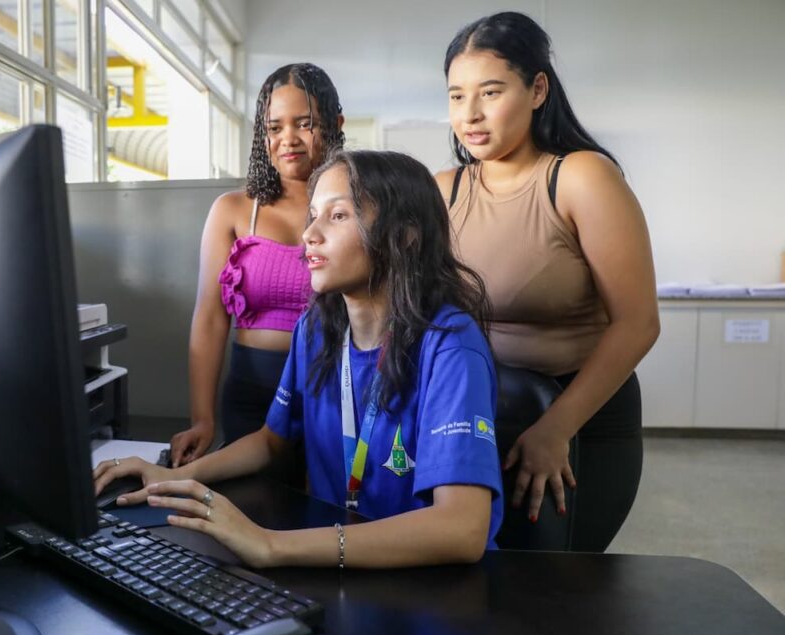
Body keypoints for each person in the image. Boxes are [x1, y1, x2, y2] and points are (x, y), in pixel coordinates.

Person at [94, 150, 503, 568]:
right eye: (313, 215)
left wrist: (271, 545)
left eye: (338, 216)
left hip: (430, 581)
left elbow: (462, 528)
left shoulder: (450, 347)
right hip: (339, 562)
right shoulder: (316, 329)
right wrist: (173, 476)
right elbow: (272, 441)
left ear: (404, 236)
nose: (309, 233)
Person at [435, 11, 660, 551]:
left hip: (578, 418)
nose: (470, 114)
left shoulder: (581, 177)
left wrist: (556, 428)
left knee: (559, 585)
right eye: (457, 96)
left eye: (490, 92)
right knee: (482, 577)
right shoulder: (442, 190)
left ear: (537, 89)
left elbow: (638, 324)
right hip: (479, 411)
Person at [169, 64, 345, 467]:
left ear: (335, 125)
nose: (288, 139)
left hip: (335, 390)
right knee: (249, 499)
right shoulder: (232, 210)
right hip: (252, 393)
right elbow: (210, 318)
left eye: (304, 124)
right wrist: (202, 419)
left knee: (326, 501)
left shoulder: (358, 205)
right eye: (274, 127)